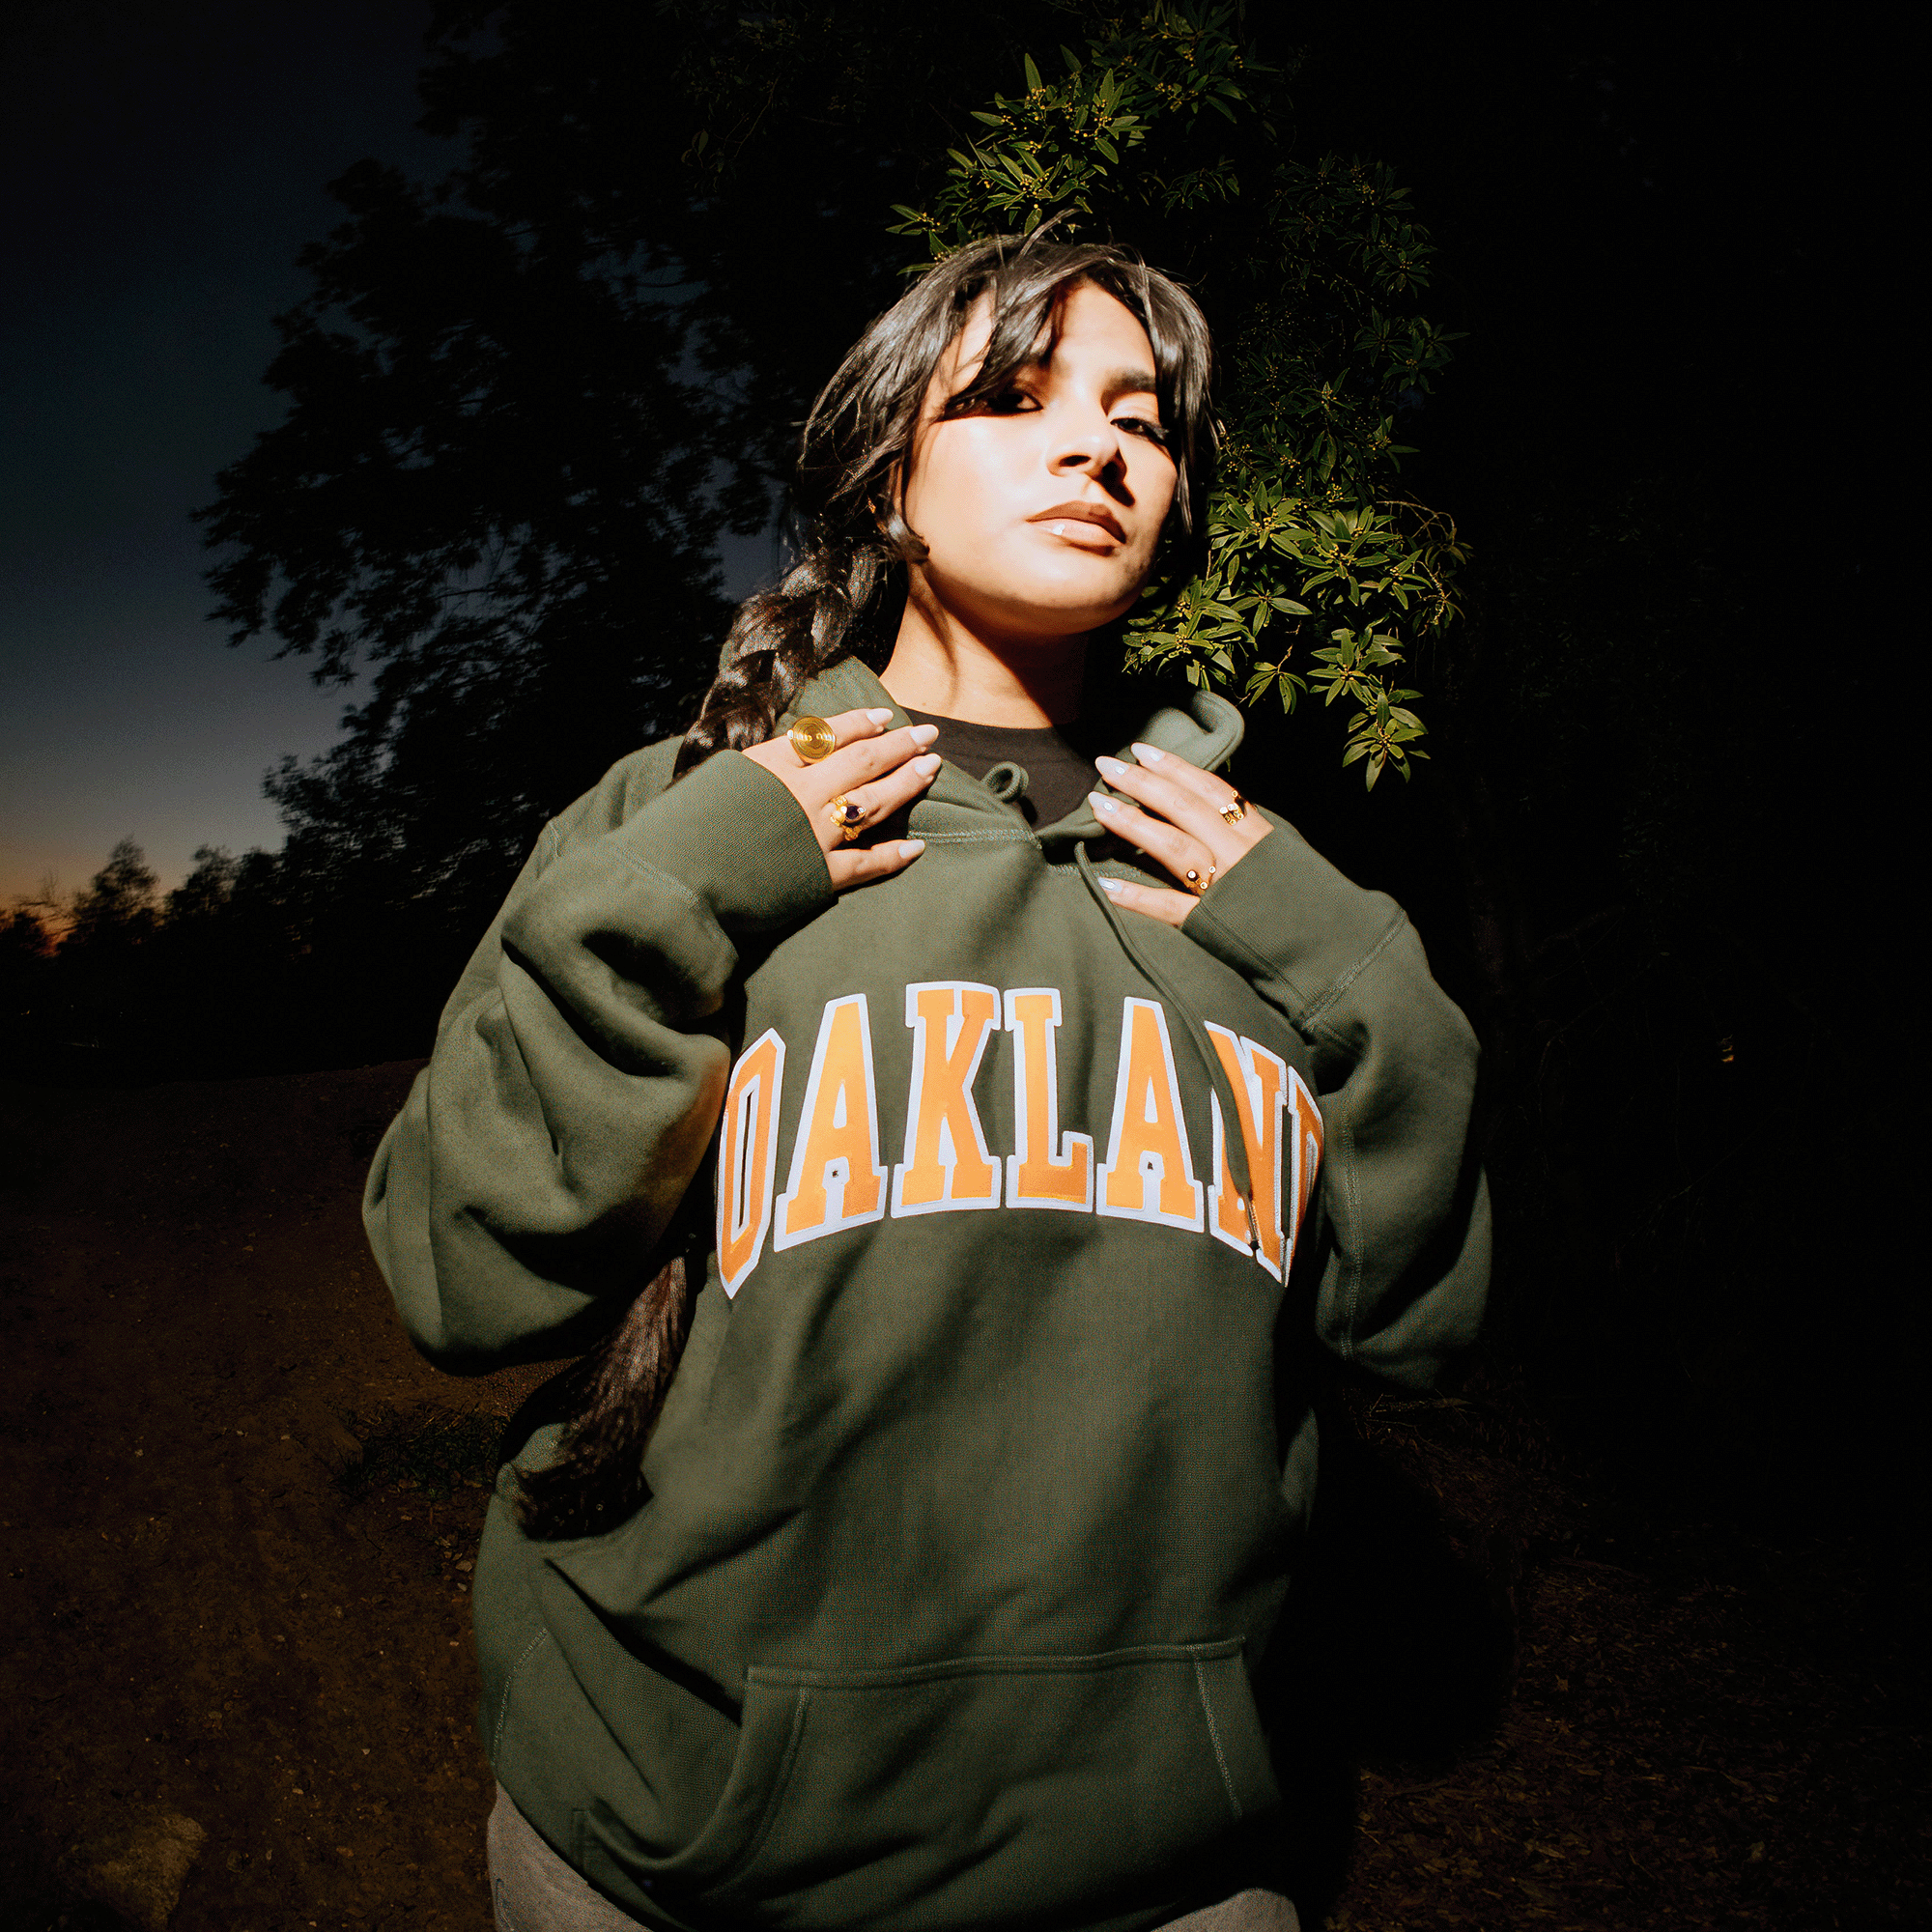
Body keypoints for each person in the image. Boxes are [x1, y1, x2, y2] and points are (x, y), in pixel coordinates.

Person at [363, 231, 1490, 1932]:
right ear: (892, 469)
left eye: (1142, 417)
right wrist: (697, 876)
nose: (1099, 446)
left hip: (1164, 1874)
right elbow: (462, 1275)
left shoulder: (1244, 878)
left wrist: (1346, 968)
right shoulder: (687, 815)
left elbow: (1417, 1326)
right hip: (680, 1857)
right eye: (1015, 398)